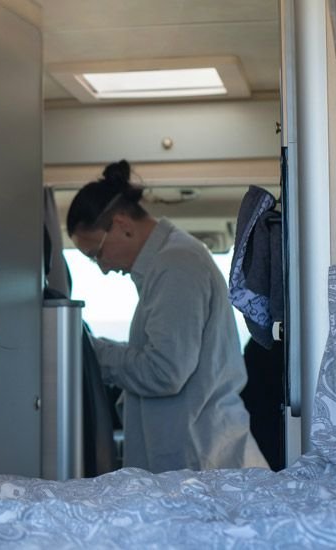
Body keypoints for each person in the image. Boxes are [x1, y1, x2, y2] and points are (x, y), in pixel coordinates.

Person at [66, 160, 266, 473]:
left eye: (96, 254)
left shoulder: (176, 264)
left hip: (200, 460)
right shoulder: (168, 263)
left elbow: (165, 371)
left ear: (121, 225)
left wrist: (91, 351)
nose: (103, 268)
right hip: (192, 456)